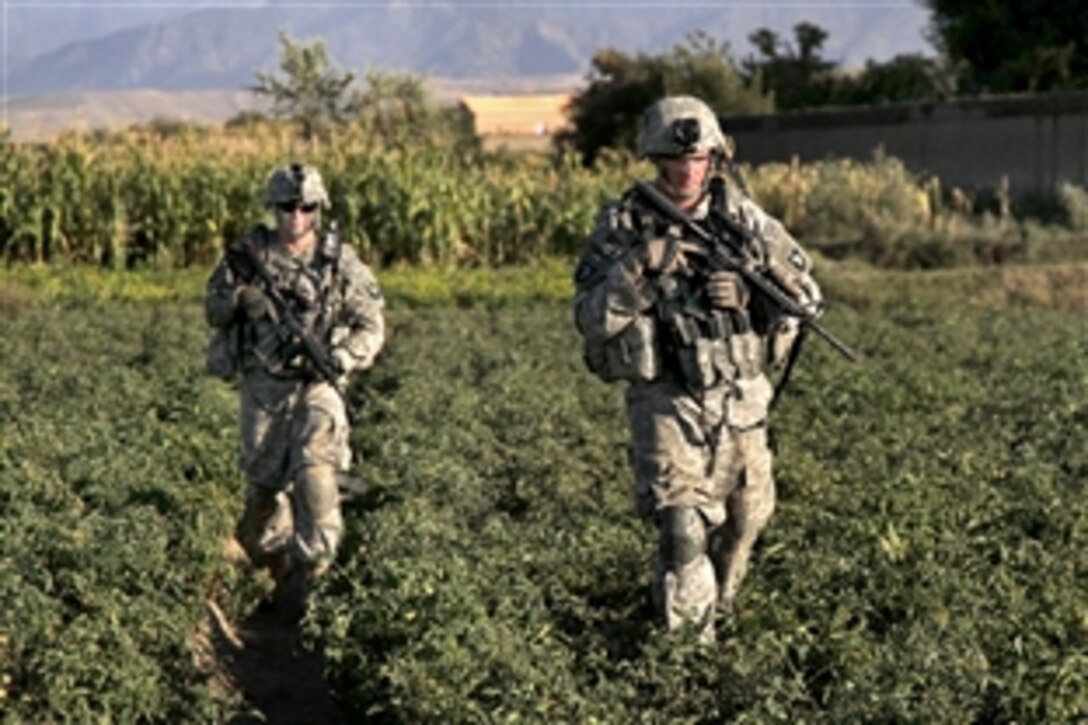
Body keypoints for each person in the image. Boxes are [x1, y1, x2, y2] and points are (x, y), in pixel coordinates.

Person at [572, 96, 824, 642]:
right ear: (654, 160)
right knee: (683, 529)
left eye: (699, 159)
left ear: (716, 159)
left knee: (744, 523)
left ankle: (722, 605)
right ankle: (689, 656)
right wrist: (638, 269)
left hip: (740, 403)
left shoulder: (746, 222)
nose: (687, 171)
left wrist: (754, 299)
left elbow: (807, 298)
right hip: (667, 403)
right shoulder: (623, 227)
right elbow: (590, 319)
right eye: (673, 160)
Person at [205, 162, 385, 616]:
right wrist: (242, 302)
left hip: (319, 384)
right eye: (287, 207)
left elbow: (372, 325)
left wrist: (342, 357)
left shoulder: (339, 261)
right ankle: (273, 566)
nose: (296, 217)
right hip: (265, 386)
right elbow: (214, 308)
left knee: (317, 473)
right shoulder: (248, 256)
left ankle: (315, 577)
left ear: (318, 209)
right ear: (274, 208)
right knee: (262, 489)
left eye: (306, 208)